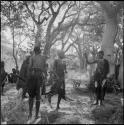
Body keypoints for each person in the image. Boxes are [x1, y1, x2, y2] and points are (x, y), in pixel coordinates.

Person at [27, 46, 46, 122]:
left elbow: (29, 67)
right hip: (40, 77)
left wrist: (30, 73)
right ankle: (36, 115)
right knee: (38, 97)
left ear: (34, 51)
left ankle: (30, 114)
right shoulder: (43, 58)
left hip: (33, 76)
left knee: (31, 96)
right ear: (40, 51)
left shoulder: (32, 57)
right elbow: (44, 68)